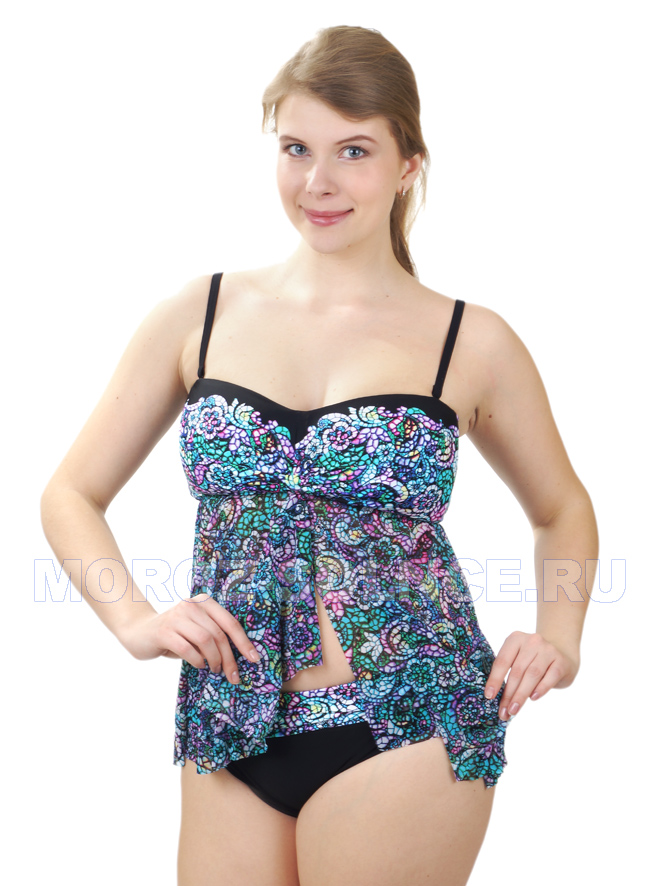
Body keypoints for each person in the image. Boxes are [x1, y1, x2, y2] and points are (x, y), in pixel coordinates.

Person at [41, 24, 597, 886]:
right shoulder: (201, 313)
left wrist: (560, 635)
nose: (318, 183)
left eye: (354, 151)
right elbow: (71, 492)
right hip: (231, 720)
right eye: (297, 148)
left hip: (410, 719)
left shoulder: (471, 341)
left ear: (409, 164)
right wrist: (133, 619)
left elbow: (561, 507)